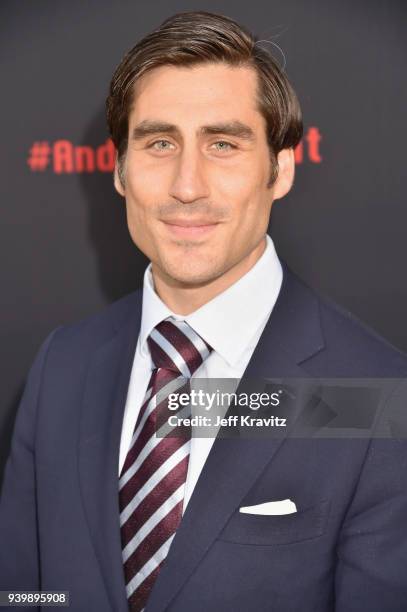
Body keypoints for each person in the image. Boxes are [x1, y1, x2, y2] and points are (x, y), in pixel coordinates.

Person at [1, 10, 407, 612]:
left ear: (281, 168)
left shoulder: (378, 394)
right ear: (118, 169)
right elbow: (29, 595)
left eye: (223, 144)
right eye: (160, 143)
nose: (187, 185)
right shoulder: (64, 363)